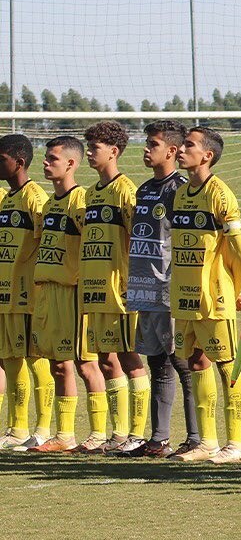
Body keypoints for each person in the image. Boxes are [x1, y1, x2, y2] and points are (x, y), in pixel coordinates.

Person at [118, 120, 201, 458]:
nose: (145, 150)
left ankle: (196, 438)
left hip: (168, 289)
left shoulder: (178, 188)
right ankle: (159, 439)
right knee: (156, 362)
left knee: (179, 361)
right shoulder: (144, 189)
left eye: (152, 144)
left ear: (171, 150)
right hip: (144, 288)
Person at [169, 126, 241, 463]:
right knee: (195, 362)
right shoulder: (181, 193)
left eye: (189, 145)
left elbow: (238, 249)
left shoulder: (220, 194)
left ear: (207, 156)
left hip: (214, 298)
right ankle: (208, 442)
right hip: (184, 297)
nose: (181, 150)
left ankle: (236, 444)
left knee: (228, 366)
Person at [28, 137, 103, 453]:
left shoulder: (79, 201)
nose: (46, 163)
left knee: (86, 363)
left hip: (72, 292)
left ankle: (100, 435)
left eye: (52, 158)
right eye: (45, 158)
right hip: (48, 292)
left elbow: (92, 248)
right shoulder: (48, 203)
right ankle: (65, 435)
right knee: (59, 364)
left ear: (71, 163)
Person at [78, 120, 138, 454]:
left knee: (129, 359)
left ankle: (135, 433)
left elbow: (136, 239)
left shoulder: (126, 190)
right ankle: (116, 434)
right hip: (94, 290)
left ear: (113, 151)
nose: (89, 152)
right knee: (105, 360)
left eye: (95, 147)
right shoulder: (90, 193)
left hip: (121, 290)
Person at [0, 134, 52, 450]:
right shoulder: (6, 199)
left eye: (1, 159)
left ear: (18, 162)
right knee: (10, 360)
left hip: (29, 295)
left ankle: (43, 429)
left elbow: (49, 242)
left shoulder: (35, 198)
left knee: (36, 360)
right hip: (5, 294)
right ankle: (17, 428)